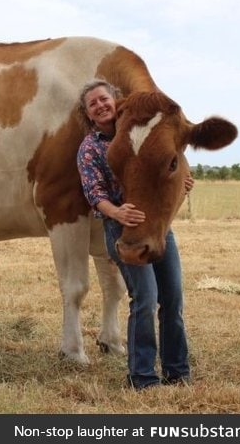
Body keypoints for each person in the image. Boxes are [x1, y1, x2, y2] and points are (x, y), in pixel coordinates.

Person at [76, 79, 192, 390]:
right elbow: (94, 192)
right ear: (88, 114)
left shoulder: (142, 132)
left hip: (156, 227)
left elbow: (170, 165)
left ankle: (177, 371)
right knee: (145, 298)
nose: (100, 106)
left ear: (115, 100)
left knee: (173, 298)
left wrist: (182, 180)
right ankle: (141, 376)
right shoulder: (90, 148)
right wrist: (116, 212)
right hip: (122, 227)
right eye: (93, 104)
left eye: (103, 99)